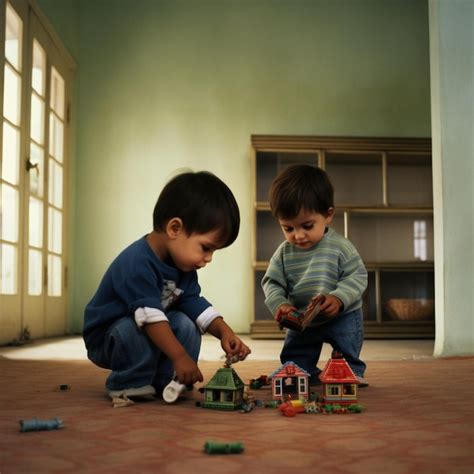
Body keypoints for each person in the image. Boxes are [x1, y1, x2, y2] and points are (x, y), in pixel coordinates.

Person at [83, 170, 251, 401]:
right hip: (110, 336)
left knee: (185, 323)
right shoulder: (137, 263)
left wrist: (224, 331)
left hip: (148, 325)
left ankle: (169, 381)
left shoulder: (183, 268)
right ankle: (129, 381)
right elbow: (149, 319)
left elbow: (195, 304)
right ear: (175, 228)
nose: (209, 258)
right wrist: (180, 356)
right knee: (133, 329)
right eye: (206, 247)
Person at [261, 164, 368, 386]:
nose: (298, 235)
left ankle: (350, 372)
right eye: (288, 228)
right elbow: (272, 282)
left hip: (342, 315)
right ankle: (301, 370)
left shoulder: (341, 247)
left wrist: (339, 298)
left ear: (328, 215)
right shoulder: (283, 253)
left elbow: (357, 276)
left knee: (347, 346)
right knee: (296, 353)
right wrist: (280, 304)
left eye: (307, 226)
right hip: (302, 318)